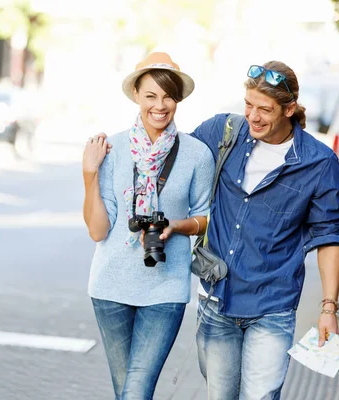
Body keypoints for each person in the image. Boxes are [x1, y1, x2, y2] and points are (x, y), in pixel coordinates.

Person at [191, 61, 339, 400]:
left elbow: (328, 237)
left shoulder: (318, 162)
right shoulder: (223, 132)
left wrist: (328, 308)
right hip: (216, 300)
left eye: (265, 109)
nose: (253, 116)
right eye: (249, 105)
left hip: (273, 307)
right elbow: (177, 161)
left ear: (289, 109)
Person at [82, 52, 215, 400]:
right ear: (137, 96)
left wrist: (176, 226)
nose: (160, 105)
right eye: (151, 95)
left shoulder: (197, 154)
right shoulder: (113, 148)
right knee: (126, 391)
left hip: (165, 287)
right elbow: (98, 231)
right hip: (110, 286)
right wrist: (89, 174)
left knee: (136, 390)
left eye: (168, 95)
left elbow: (206, 219)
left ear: (179, 99)